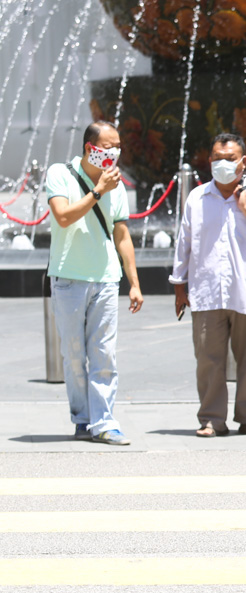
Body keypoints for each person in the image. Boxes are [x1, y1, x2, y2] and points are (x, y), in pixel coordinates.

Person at [169, 133, 246, 437]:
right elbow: (185, 243)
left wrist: (245, 206)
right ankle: (211, 419)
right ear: (209, 161)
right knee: (208, 359)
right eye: (218, 158)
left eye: (230, 158)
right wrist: (179, 286)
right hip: (207, 291)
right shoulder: (198, 197)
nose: (223, 164)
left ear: (243, 161)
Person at [45, 120, 143, 446]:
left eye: (118, 147)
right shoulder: (60, 173)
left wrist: (134, 282)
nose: (114, 153)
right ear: (91, 148)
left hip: (105, 279)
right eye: (109, 147)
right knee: (74, 357)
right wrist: (99, 190)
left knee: (104, 355)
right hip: (68, 279)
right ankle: (82, 418)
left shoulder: (117, 184)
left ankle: (104, 422)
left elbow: (122, 234)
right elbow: (63, 216)